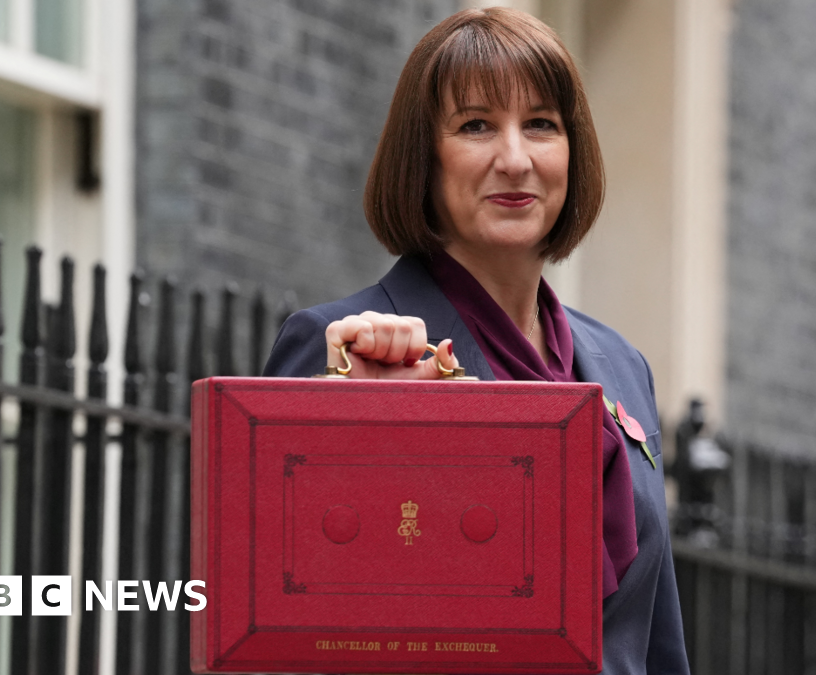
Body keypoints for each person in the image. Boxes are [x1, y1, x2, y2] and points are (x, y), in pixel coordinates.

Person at [263, 7, 690, 674]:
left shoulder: (621, 367)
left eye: (541, 125)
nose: (515, 158)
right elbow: (287, 636)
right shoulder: (343, 349)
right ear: (423, 160)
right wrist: (356, 421)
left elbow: (656, 641)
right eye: (476, 125)